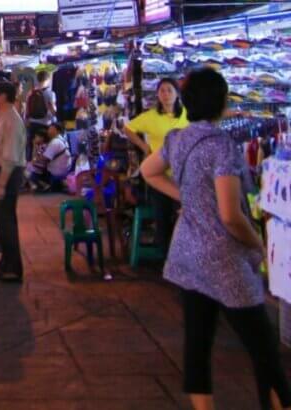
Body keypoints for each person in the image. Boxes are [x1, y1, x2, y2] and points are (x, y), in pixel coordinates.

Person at [140, 68, 291, 410]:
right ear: (221, 102)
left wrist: (188, 197)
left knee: (197, 342)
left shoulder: (177, 139)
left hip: (188, 256)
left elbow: (149, 172)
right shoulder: (222, 146)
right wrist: (257, 244)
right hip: (225, 260)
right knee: (264, 348)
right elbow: (229, 215)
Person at [124, 77, 188, 251]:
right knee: (162, 216)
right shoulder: (151, 116)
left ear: (177, 94)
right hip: (157, 176)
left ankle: (181, 255)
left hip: (182, 174)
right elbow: (128, 129)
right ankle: (164, 257)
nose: (165, 94)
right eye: (162, 91)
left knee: (184, 216)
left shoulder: (187, 115)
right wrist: (145, 146)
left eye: (169, 90)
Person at [0, 81, 27, 283]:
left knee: (5, 222)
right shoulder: (2, 117)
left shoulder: (11, 120)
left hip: (7, 174)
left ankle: (12, 267)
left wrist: (1, 183)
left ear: (2, 96)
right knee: (2, 221)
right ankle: (6, 263)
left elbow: (10, 156)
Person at [27, 122, 70, 193]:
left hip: (55, 173)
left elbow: (43, 159)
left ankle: (45, 185)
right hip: (63, 171)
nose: (49, 131)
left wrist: (34, 147)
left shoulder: (55, 142)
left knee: (29, 172)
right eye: (49, 128)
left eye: (51, 129)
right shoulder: (62, 139)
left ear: (57, 131)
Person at [24, 70, 56, 160]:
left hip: (32, 123)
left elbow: (27, 110)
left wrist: (27, 121)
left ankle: (29, 166)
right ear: (48, 79)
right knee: (44, 148)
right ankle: (41, 167)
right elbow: (53, 111)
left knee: (31, 147)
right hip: (45, 124)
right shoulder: (50, 93)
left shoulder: (30, 93)